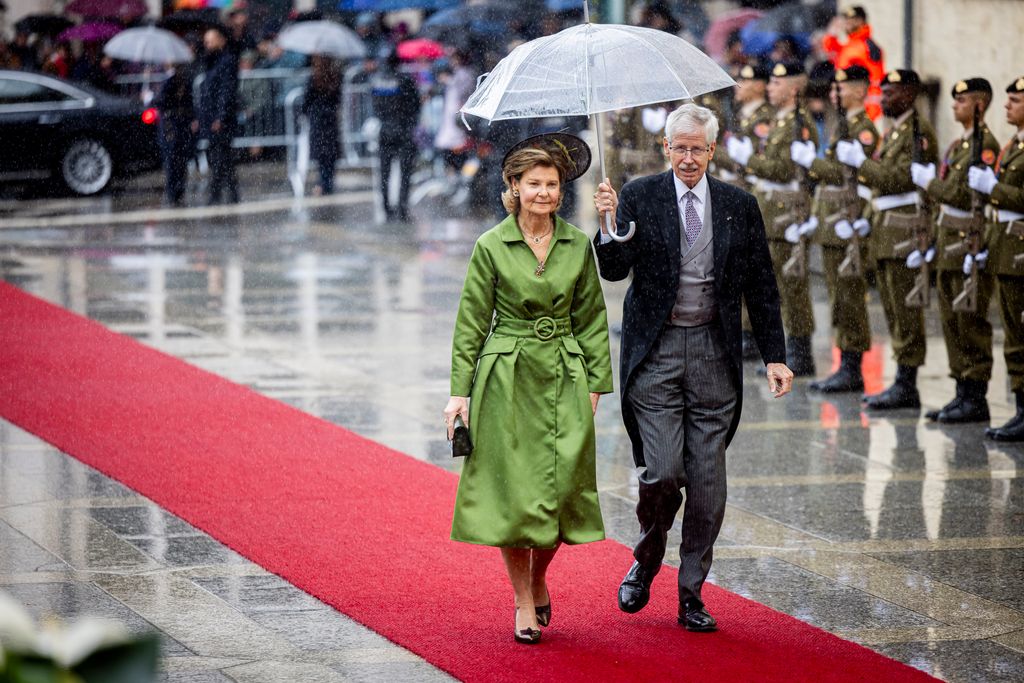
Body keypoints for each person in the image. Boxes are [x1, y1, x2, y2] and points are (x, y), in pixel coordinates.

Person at [592, 103, 791, 632]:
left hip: (714, 357)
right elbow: (613, 271)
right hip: (655, 355)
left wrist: (775, 355)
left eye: (696, 149)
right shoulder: (637, 195)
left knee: (707, 486)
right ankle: (648, 557)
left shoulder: (738, 205)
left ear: (711, 150)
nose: (687, 158)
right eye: (678, 148)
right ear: (666, 149)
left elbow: (761, 285)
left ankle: (691, 591)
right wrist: (608, 226)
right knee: (662, 473)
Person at [444, 133, 613, 645]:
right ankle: (522, 598)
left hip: (565, 373)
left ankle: (540, 575)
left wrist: (597, 384)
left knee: (563, 492)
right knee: (515, 495)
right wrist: (459, 393)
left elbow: (593, 319)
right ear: (512, 187)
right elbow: (471, 323)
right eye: (534, 184)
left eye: (553, 184)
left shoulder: (578, 244)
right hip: (506, 377)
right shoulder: (490, 245)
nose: (544, 193)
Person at [836, 69, 938, 409]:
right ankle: (902, 380)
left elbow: (897, 179)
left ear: (909, 95)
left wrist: (860, 162)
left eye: (892, 92)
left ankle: (907, 384)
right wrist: (866, 221)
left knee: (906, 311)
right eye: (883, 91)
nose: (883, 98)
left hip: (904, 232)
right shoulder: (895, 132)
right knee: (893, 310)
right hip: (885, 229)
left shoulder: (918, 133)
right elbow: (883, 186)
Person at [911, 78, 1001, 423]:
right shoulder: (960, 145)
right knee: (950, 321)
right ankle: (961, 391)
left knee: (971, 322)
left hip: (968, 240)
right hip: (949, 240)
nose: (955, 105)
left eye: (962, 100)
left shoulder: (985, 144)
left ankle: (975, 395)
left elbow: (965, 196)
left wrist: (930, 182)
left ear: (979, 105)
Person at [728, 61, 819, 376]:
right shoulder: (782, 121)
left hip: (787, 213)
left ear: (794, 88)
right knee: (776, 284)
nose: (771, 88)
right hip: (772, 210)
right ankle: (788, 348)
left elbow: (785, 170)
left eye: (778, 84)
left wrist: (748, 159)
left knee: (793, 285)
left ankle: (801, 351)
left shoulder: (798, 122)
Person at [797, 65, 878, 392]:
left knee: (849, 295)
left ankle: (853, 366)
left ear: (859, 90)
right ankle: (844, 361)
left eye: (842, 88)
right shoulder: (842, 125)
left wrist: (811, 162)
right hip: (833, 222)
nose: (835, 94)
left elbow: (852, 176)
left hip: (849, 221)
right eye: (834, 89)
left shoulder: (863, 129)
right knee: (837, 296)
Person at [969, 76, 1024, 441]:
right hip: (1005, 247)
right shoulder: (1012, 145)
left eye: (1015, 100)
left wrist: (994, 188)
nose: (1006, 106)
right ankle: (1021, 408)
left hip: (1019, 250)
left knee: (1020, 332)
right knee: (1014, 334)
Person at [369, 48, 421, 220]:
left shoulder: (377, 81)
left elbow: (375, 106)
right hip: (403, 130)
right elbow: (415, 104)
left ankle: (386, 208)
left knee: (384, 172)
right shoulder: (405, 80)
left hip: (384, 130)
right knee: (405, 172)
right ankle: (402, 209)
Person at [198, 25, 240, 205]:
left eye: (210, 40)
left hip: (220, 119)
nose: (206, 44)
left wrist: (221, 117)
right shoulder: (212, 62)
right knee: (222, 157)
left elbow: (226, 91)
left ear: (221, 40)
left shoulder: (227, 61)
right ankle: (230, 193)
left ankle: (218, 194)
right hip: (212, 117)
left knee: (220, 157)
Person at [821, 5, 885, 120]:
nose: (847, 24)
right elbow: (833, 54)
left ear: (860, 21)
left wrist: (871, 111)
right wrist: (831, 35)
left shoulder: (867, 46)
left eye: (852, 20)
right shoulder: (850, 45)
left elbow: (874, 80)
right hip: (849, 102)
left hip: (862, 105)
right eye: (846, 20)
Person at [153, 63, 196, 206]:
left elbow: (187, 104)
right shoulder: (170, 82)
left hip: (177, 124)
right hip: (171, 124)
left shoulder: (181, 82)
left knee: (178, 159)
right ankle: (174, 191)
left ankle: (177, 191)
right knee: (173, 160)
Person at [301, 54, 342, 196]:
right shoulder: (335, 77)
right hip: (330, 119)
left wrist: (306, 112)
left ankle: (323, 182)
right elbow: (338, 99)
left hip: (317, 119)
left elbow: (307, 100)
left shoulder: (314, 78)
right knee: (329, 154)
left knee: (321, 154)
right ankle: (327, 182)